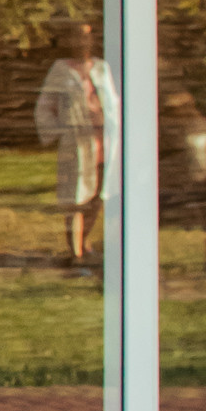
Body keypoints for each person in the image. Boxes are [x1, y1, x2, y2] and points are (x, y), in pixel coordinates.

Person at [36, 18, 119, 271]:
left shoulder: (101, 68)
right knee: (76, 198)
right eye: (77, 36)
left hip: (103, 142)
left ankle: (84, 242)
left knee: (97, 196)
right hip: (77, 143)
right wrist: (59, 131)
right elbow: (44, 106)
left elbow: (114, 103)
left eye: (87, 36)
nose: (82, 41)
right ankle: (75, 255)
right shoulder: (61, 70)